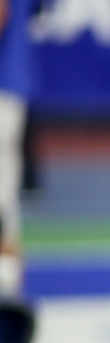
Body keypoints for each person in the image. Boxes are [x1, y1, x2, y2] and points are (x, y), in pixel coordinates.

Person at [0, 0, 33, 296]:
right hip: (12, 79)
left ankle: (6, 275)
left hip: (4, 82)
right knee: (6, 181)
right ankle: (8, 274)